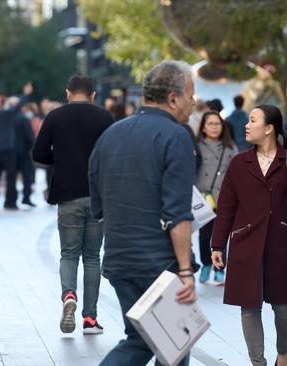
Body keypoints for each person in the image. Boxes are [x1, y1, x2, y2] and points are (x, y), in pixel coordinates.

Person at [89, 61, 198, 365]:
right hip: (159, 264)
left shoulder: (110, 135)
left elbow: (97, 205)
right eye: (191, 94)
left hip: (118, 261)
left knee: (141, 341)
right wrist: (186, 271)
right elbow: (178, 212)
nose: (194, 101)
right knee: (173, 342)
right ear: (173, 98)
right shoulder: (176, 136)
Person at [211, 104, 287, 366]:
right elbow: (226, 207)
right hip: (246, 243)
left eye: (253, 120)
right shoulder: (239, 163)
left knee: (283, 307)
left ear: (269, 128)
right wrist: (217, 245)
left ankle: (283, 353)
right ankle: (258, 362)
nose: (246, 125)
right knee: (249, 307)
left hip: (283, 243)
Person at [32, 75, 113, 335]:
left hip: (67, 196)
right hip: (97, 196)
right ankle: (90, 319)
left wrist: (63, 155)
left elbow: (38, 153)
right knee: (92, 257)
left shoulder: (55, 117)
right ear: (93, 94)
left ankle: (69, 295)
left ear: (68, 92)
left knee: (68, 254)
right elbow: (113, 155)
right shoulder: (104, 118)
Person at [195, 111, 238, 285]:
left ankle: (220, 269)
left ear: (223, 126)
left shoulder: (230, 147)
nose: (214, 127)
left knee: (221, 235)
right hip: (203, 198)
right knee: (204, 235)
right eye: (210, 124)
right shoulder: (196, 146)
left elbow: (237, 172)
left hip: (224, 197)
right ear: (203, 127)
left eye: (217, 123)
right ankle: (206, 264)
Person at [0, 82, 32, 210]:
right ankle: (10, 202)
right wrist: (26, 94)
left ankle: (9, 201)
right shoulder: (5, 114)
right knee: (11, 176)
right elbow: (18, 106)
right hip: (7, 149)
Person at [12, 103, 35, 206]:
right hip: (23, 152)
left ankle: (11, 200)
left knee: (11, 177)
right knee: (27, 176)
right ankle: (26, 198)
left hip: (9, 152)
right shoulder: (24, 119)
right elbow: (30, 137)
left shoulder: (5, 118)